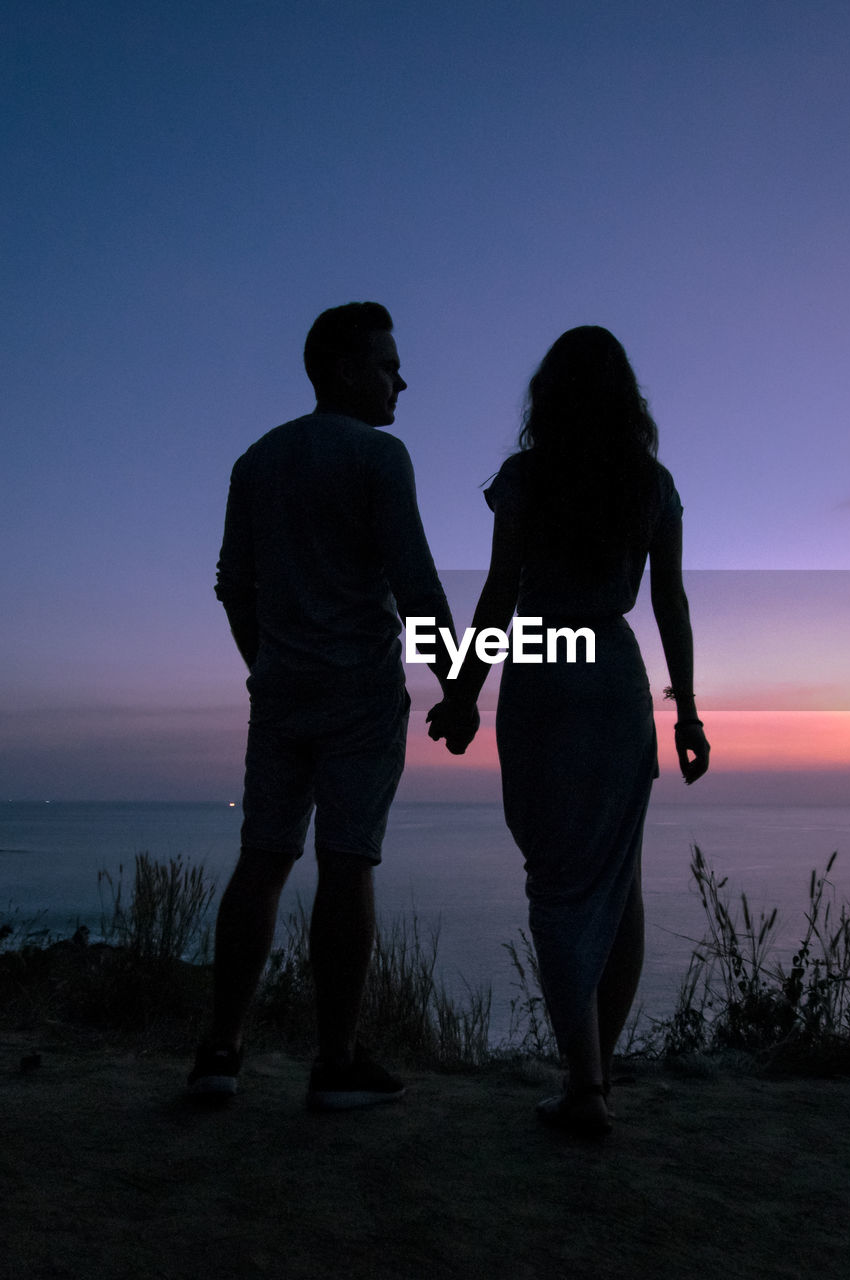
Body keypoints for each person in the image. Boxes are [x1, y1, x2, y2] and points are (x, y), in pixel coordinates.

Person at [428, 326, 709, 1135]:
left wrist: (462, 692)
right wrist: (686, 712)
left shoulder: (525, 479)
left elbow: (498, 594)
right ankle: (596, 1073)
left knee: (555, 876)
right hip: (617, 683)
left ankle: (585, 1083)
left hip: (546, 671)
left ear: (547, 397)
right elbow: (671, 604)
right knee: (617, 886)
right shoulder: (652, 485)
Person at [189, 302, 471, 1109]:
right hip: (358, 696)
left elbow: (231, 587)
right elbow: (416, 585)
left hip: (279, 696)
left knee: (264, 857)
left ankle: (219, 1052)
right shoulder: (381, 457)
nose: (401, 379)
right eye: (387, 365)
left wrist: (267, 664)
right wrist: (457, 688)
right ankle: (336, 1061)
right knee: (347, 864)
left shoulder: (257, 461)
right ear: (345, 370)